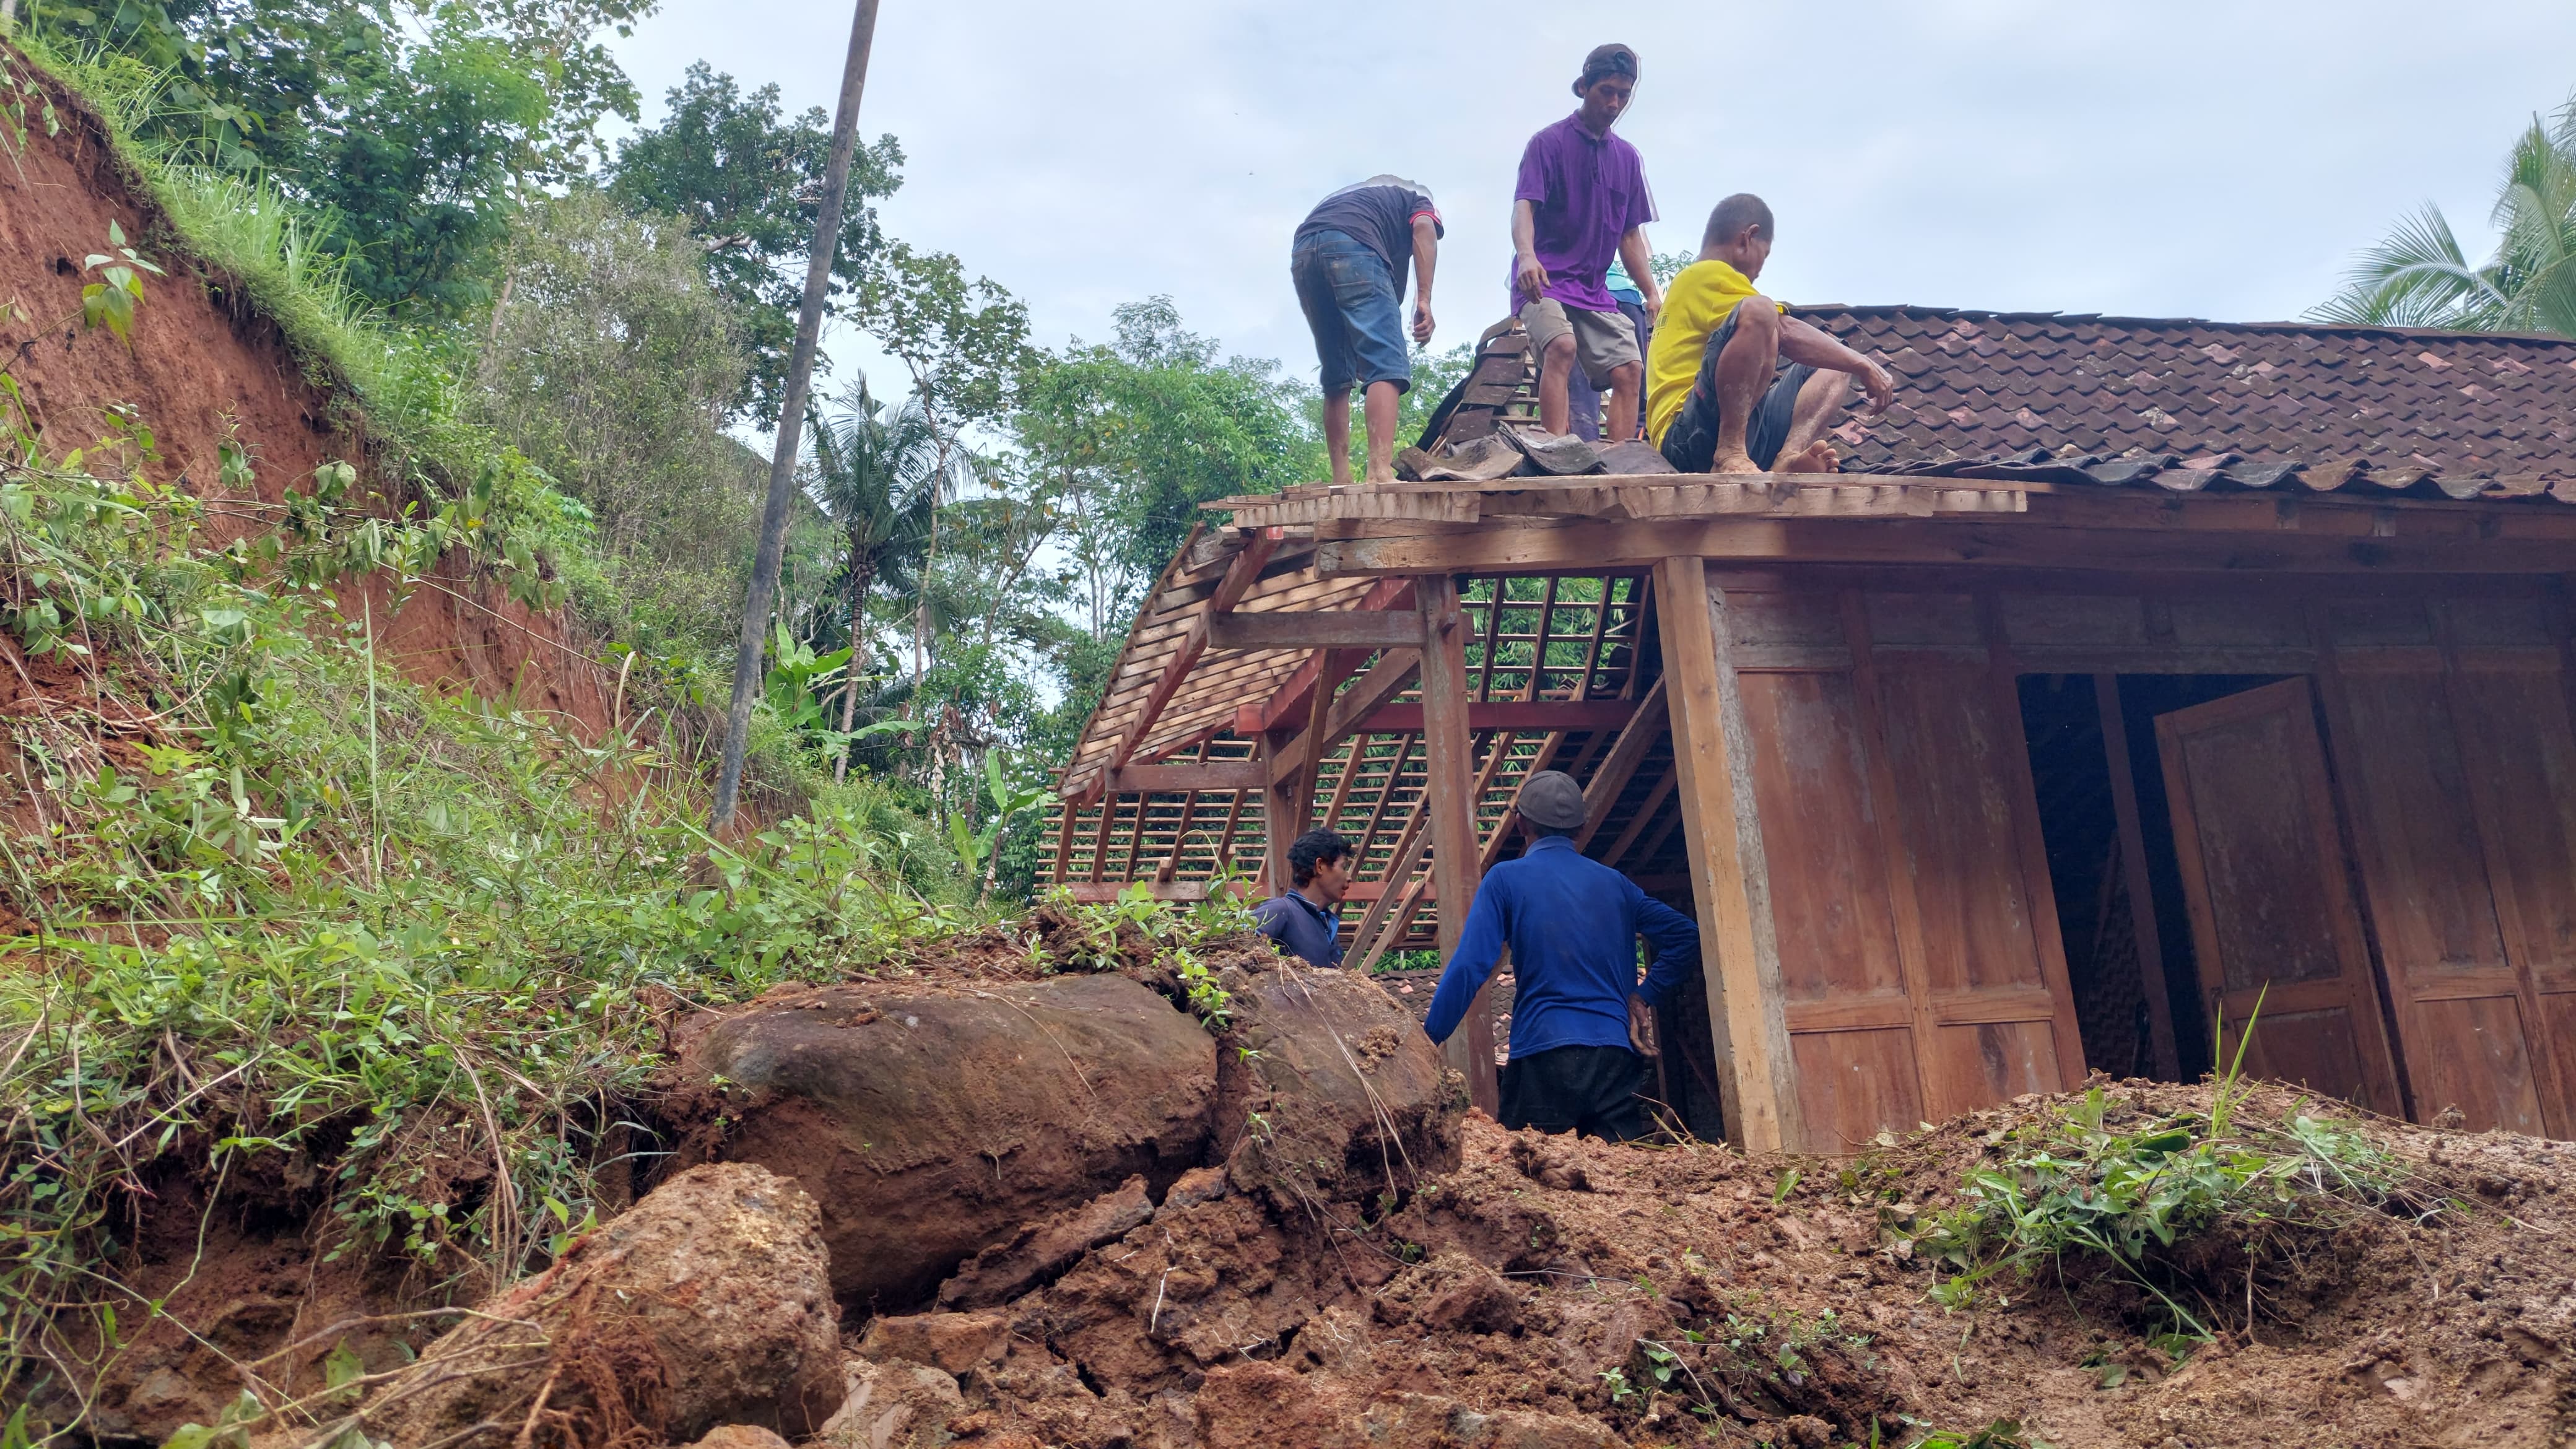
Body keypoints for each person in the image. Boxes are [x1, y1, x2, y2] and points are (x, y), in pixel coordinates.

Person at [1422, 771, 1699, 1141]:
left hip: (1543, 1054)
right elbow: (1685, 936)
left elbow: (1471, 966)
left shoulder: (1505, 879)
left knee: (1534, 1179)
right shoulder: (1616, 884)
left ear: (1520, 824)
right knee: (1621, 1179)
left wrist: (1428, 1039)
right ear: (1581, 829)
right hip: (1615, 1057)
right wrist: (1644, 996)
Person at [1647, 193, 1896, 476]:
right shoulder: (1703, 274)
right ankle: (1730, 452)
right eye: (1764, 255)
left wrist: (1851, 361)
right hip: (1685, 442)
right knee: (1761, 311)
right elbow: (1784, 330)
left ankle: (1787, 459)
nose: (1759, 271)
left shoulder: (1698, 288)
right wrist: (1864, 363)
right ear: (1747, 239)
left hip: (1729, 435)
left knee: (1836, 362)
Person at [1512, 44, 1661, 443]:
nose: (1614, 103)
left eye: (1624, 95)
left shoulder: (1627, 159)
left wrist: (1651, 293)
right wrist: (1527, 256)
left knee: (1630, 366)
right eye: (1606, 92)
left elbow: (1630, 236)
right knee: (1561, 346)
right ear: (1583, 87)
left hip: (1593, 291)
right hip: (1543, 280)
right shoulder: (1548, 143)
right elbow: (1523, 207)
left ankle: (1619, 463)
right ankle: (1559, 453)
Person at [1293, 177, 1442, 484]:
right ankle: (1379, 472)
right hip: (1353, 244)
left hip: (1305, 249)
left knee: (1337, 373)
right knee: (1388, 364)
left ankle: (1341, 479)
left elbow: (1385, 297)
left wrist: (1363, 350)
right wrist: (1425, 299)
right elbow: (1425, 228)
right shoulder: (1418, 200)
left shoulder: (1365, 204)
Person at [1252, 828, 1355, 967]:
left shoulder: (1327, 926)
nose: (1349, 878)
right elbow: (1238, 949)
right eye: (1344, 867)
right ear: (1320, 866)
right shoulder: (1280, 910)